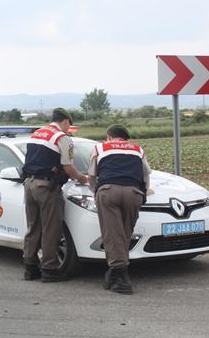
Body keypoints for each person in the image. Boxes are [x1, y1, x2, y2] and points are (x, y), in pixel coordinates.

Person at [21, 108, 88, 283]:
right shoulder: (61, 138)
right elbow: (68, 167)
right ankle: (49, 268)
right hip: (47, 187)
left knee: (33, 227)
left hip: (29, 184)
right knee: (51, 228)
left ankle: (30, 267)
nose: (69, 129)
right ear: (65, 121)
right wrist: (83, 178)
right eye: (69, 125)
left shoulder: (37, 133)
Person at [87, 124, 153, 295]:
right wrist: (144, 192)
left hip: (109, 192)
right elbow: (146, 176)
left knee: (112, 234)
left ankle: (121, 278)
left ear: (109, 136)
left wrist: (96, 191)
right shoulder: (137, 149)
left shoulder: (100, 147)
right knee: (124, 233)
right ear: (126, 139)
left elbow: (91, 176)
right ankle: (113, 275)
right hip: (133, 193)